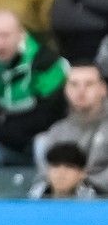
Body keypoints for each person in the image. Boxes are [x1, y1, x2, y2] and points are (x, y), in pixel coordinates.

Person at [0, 9, 69, 181]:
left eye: (6, 36)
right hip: (6, 143)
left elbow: (50, 114)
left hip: (39, 138)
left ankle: (47, 197)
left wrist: (6, 122)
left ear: (21, 35)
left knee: (44, 144)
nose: (0, 43)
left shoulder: (47, 62)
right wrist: (9, 131)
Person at [37, 62, 108, 196]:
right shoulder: (57, 131)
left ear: (103, 89)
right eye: (74, 84)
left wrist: (85, 183)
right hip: (65, 200)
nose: (81, 91)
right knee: (40, 141)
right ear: (66, 89)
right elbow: (46, 175)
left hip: (103, 200)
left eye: (89, 84)